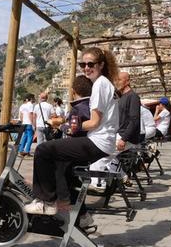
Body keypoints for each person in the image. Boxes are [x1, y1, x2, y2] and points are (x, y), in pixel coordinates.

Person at [24, 47, 119, 229]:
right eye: (83, 64)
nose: (86, 68)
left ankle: (45, 202)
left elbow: (94, 123)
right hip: (103, 142)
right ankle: (82, 216)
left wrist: (70, 126)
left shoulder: (99, 84)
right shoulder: (106, 83)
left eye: (90, 64)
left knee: (44, 150)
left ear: (101, 65)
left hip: (98, 141)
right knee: (64, 169)